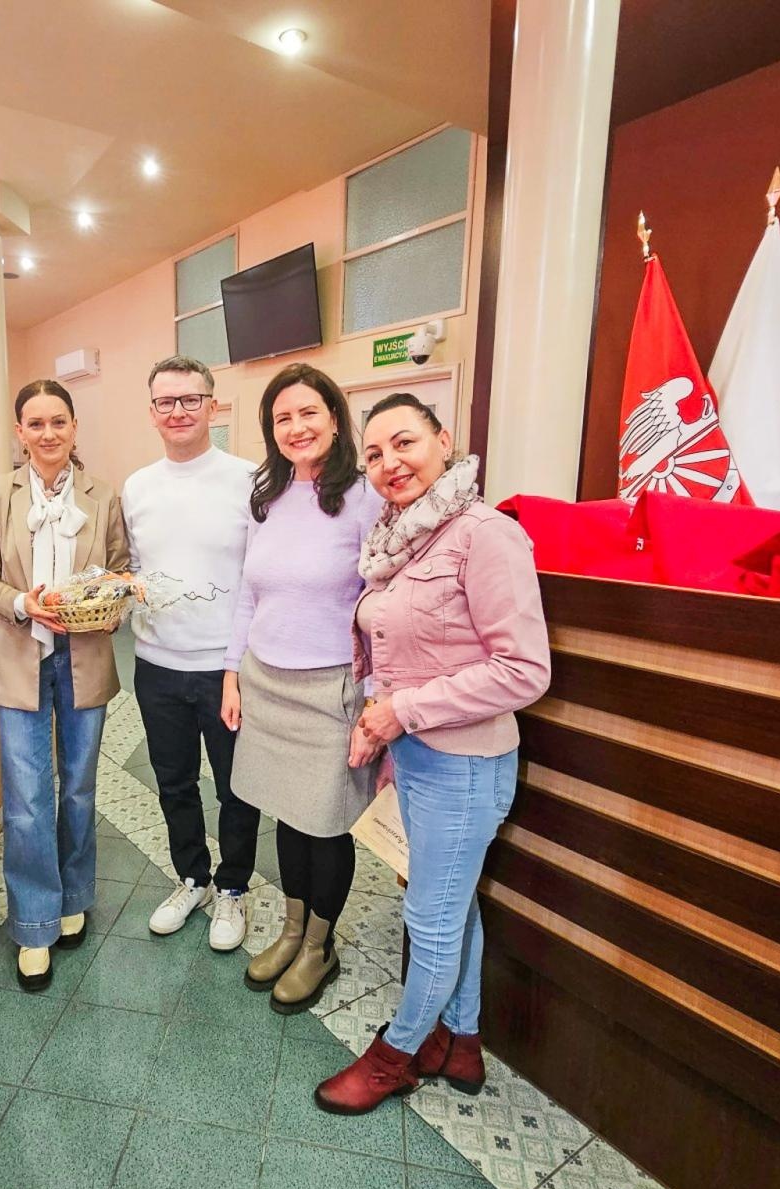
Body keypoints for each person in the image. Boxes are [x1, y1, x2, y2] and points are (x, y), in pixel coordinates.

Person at [314, 393, 550, 1115]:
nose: (390, 464)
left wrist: (398, 712)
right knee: (452, 905)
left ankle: (397, 1056)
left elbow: (524, 671)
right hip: (418, 756)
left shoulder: (485, 535)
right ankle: (465, 1040)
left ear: (444, 442)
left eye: (405, 443)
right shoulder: (403, 536)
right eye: (375, 454)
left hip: (466, 764)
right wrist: (380, 719)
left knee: (432, 918)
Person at [224, 362, 383, 1012]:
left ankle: (321, 945)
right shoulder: (269, 491)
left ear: (335, 416)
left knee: (325, 824)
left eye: (307, 412)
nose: (296, 427)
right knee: (287, 815)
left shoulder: (366, 497)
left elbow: (383, 601)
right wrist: (232, 672)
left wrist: (375, 694)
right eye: (282, 417)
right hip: (267, 681)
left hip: (331, 690)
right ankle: (292, 930)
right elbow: (246, 592)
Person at [0, 379, 128, 991]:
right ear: (20, 433)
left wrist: (110, 604)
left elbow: (120, 569)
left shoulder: (102, 494)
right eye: (35, 424)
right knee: (29, 795)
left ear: (74, 427)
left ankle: (73, 897)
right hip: (20, 656)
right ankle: (34, 923)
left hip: (84, 654)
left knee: (80, 788)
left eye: (58, 421)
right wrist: (20, 603)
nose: (48, 433)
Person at [123, 355, 258, 950]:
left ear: (212, 404)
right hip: (155, 664)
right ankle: (192, 877)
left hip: (227, 668)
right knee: (173, 781)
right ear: (151, 412)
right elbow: (131, 568)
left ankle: (232, 888)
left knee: (237, 786)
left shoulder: (248, 479)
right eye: (165, 402)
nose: (178, 411)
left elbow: (261, 576)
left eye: (189, 400)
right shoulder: (137, 486)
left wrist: (242, 663)